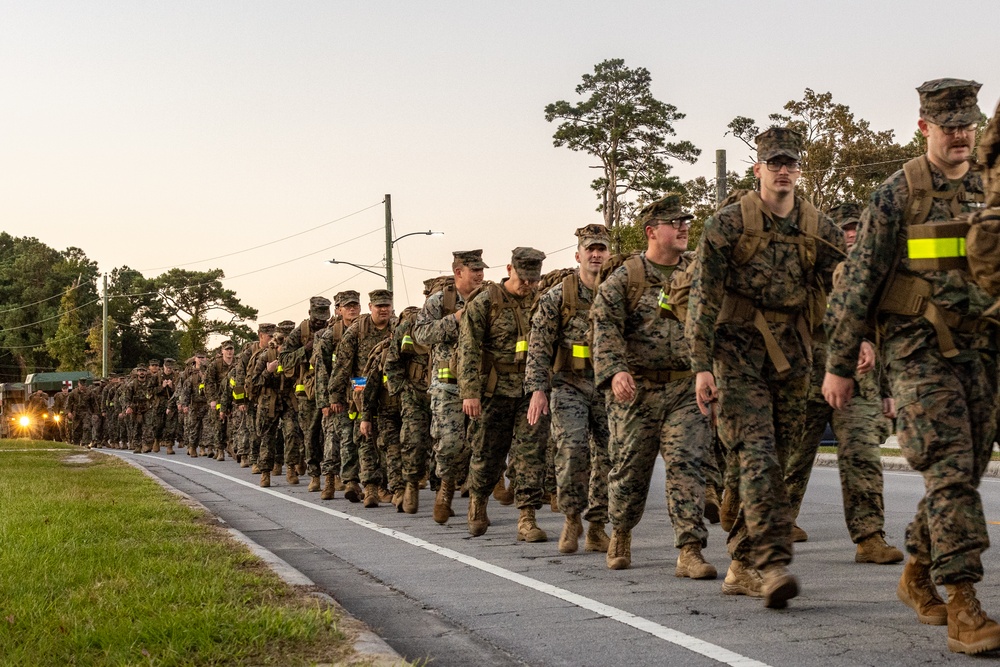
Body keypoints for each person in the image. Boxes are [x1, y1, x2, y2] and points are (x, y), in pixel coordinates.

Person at [823, 80, 1000, 654]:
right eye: (948, 125)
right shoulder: (897, 195)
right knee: (949, 467)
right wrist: (840, 365)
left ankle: (917, 572)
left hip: (981, 351)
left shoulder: (990, 189)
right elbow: (857, 287)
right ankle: (965, 606)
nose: (960, 134)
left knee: (966, 472)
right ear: (924, 126)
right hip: (916, 352)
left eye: (967, 123)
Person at [687, 127, 844, 608]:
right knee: (758, 453)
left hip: (794, 357)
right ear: (757, 168)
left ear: (798, 170)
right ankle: (772, 563)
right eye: (773, 162)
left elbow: (846, 288)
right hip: (737, 353)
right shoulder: (728, 224)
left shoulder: (819, 227)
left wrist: (855, 343)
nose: (782, 170)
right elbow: (703, 297)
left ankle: (739, 566)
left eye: (790, 163)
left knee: (771, 459)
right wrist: (701, 365)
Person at [591, 198, 716, 578]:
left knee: (687, 465)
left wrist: (710, 370)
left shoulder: (698, 271)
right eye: (674, 223)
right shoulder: (627, 277)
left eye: (686, 222)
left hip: (685, 388)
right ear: (651, 231)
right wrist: (615, 371)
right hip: (637, 391)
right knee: (630, 470)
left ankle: (690, 550)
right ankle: (621, 532)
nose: (683, 228)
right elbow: (603, 327)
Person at [784, 202, 903, 563]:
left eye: (856, 228)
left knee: (863, 455)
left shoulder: (877, 275)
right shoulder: (807, 273)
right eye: (843, 229)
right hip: (807, 376)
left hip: (860, 382)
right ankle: (779, 521)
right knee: (792, 457)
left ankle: (870, 537)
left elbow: (891, 334)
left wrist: (889, 390)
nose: (850, 235)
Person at [525, 224, 612, 554]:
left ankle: (597, 526)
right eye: (590, 249)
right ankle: (572, 517)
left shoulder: (618, 291)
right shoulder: (558, 296)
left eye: (601, 249)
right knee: (573, 450)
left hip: (606, 386)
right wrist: (537, 389)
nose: (595, 254)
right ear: (578, 255)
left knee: (609, 457)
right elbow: (539, 347)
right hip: (569, 386)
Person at [458, 247, 548, 541]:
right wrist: (469, 393)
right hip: (493, 391)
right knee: (488, 453)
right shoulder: (486, 301)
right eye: (523, 278)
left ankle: (527, 517)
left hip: (531, 391)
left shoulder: (541, 302)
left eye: (533, 280)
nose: (528, 285)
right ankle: (478, 503)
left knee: (531, 454)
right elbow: (468, 349)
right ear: (510, 269)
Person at [413, 250, 486, 523]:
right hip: (447, 385)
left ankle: (478, 503)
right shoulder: (439, 301)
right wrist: (454, 320)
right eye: (474, 270)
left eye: (481, 270)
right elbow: (420, 334)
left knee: (480, 445)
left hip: (481, 384)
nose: (479, 275)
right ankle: (445, 488)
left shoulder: (489, 298)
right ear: (458, 272)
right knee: (451, 444)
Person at [328, 289, 395, 507]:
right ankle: (371, 488)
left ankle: (385, 485)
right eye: (379, 306)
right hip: (361, 387)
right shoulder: (357, 331)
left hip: (388, 389)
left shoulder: (397, 327)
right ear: (370, 307)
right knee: (365, 437)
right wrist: (335, 396)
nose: (383, 309)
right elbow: (342, 365)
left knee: (386, 439)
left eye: (387, 305)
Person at [314, 291, 361, 499]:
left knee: (358, 439)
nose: (352, 309)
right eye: (347, 306)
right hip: (337, 395)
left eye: (355, 305)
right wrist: (326, 401)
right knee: (334, 440)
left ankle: (352, 481)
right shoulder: (329, 335)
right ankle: (330, 480)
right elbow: (322, 371)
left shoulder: (364, 330)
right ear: (338, 310)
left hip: (359, 393)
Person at [278, 296, 331, 476]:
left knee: (331, 433)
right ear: (310, 314)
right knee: (310, 433)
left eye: (324, 319)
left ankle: (333, 473)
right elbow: (284, 359)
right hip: (306, 391)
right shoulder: (300, 332)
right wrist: (305, 350)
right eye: (317, 319)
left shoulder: (332, 329)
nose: (320, 323)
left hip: (330, 387)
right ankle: (313, 471)